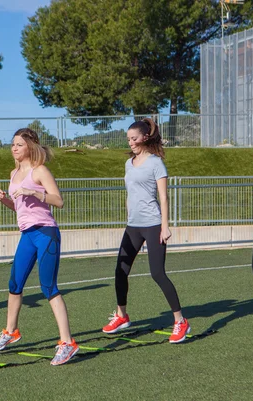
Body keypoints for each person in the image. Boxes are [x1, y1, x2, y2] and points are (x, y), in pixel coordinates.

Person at [0, 128, 78, 366]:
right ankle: (11, 332)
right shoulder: (13, 172)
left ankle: (67, 343)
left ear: (30, 146)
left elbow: (58, 201)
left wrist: (34, 192)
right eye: (13, 145)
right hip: (27, 235)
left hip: (46, 233)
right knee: (14, 283)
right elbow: (20, 210)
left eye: (19, 144)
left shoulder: (40, 171)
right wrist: (5, 200)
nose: (14, 149)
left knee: (48, 287)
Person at [102, 118, 190, 343]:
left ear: (144, 137)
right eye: (128, 139)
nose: (130, 142)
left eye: (134, 138)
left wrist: (165, 226)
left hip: (153, 225)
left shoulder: (155, 163)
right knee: (120, 270)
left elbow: (163, 197)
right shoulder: (128, 164)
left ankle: (180, 321)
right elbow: (130, 194)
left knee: (157, 274)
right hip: (133, 226)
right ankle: (122, 315)